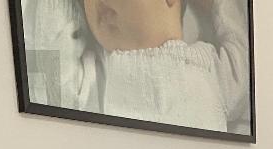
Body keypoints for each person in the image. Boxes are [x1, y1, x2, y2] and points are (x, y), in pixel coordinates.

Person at [29, 0, 252, 133]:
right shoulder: (91, 77)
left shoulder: (213, 71)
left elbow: (249, 39)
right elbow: (46, 69)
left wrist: (216, 3)